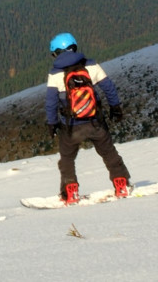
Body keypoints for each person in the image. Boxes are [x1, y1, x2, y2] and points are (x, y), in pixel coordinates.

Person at [45, 32, 131, 204]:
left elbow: (51, 103)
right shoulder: (91, 65)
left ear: (56, 53)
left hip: (70, 127)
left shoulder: (55, 74)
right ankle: (121, 183)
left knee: (67, 159)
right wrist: (116, 108)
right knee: (109, 153)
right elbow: (109, 88)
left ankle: (70, 191)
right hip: (95, 122)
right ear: (74, 47)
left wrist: (52, 124)